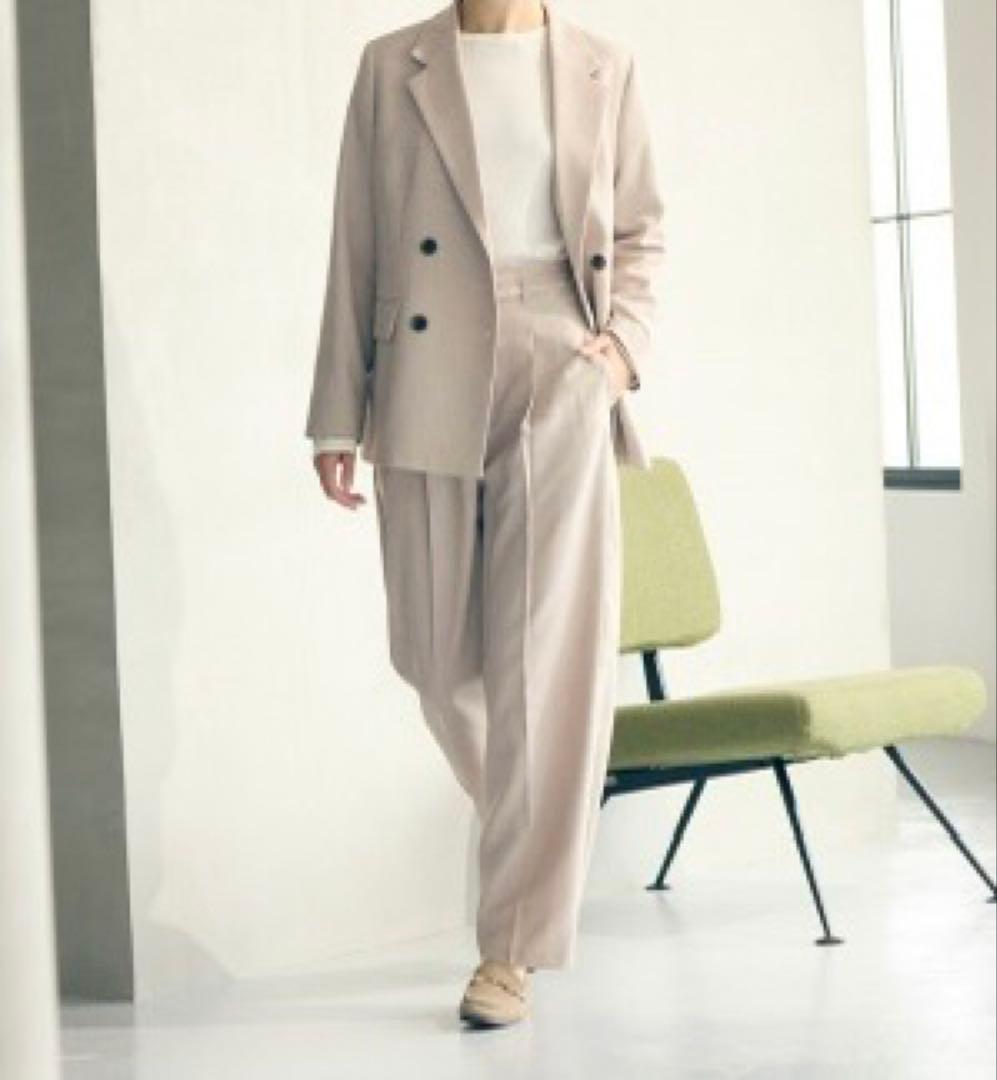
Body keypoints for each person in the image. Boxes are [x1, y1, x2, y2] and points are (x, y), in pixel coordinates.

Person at [305, 0, 664, 1028]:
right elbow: (355, 240)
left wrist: (619, 353)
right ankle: (534, 819)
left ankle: (508, 949)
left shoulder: (602, 64)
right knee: (433, 657)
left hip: (563, 357)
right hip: (425, 358)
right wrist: (336, 411)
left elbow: (640, 228)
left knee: (545, 661)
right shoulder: (393, 64)